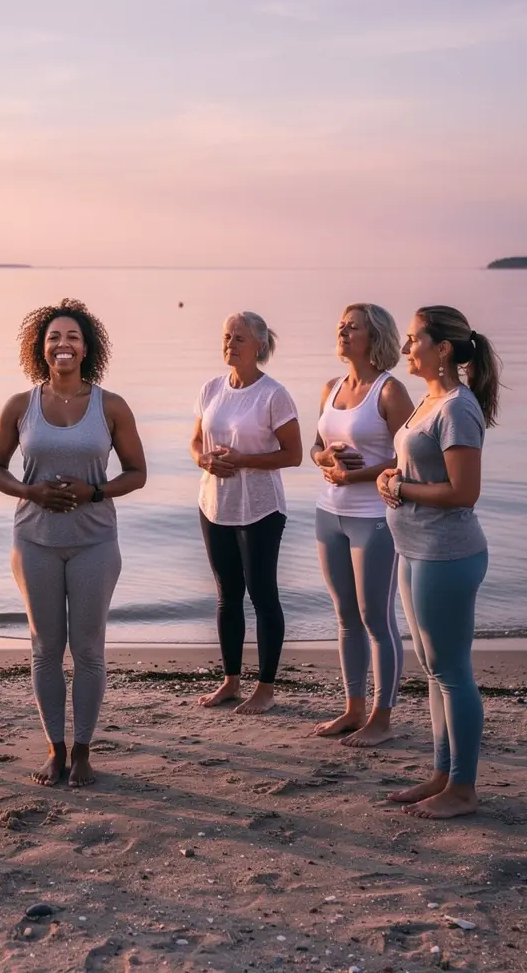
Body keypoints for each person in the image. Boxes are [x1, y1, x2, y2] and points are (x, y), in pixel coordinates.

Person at [0, 299, 147, 788]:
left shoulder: (110, 406)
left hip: (95, 540)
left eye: (72, 337)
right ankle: (54, 748)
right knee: (45, 648)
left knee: (89, 649)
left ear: (87, 347)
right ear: (41, 347)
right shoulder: (20, 405)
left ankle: (83, 751)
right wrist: (28, 491)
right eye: (54, 337)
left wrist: (95, 491)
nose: (63, 345)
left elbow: (137, 473)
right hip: (34, 539)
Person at [378, 306, 501, 819]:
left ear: (442, 348)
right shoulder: (429, 401)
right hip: (415, 549)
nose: (406, 349)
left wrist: (401, 487)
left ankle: (464, 789)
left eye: (412, 341)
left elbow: (463, 491)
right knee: (433, 669)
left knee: (451, 671)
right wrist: (390, 476)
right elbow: (418, 465)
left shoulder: (458, 407)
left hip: (447, 555)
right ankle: (441, 773)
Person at [311, 304, 414, 746]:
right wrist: (328, 460)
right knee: (345, 617)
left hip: (373, 517)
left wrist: (355, 474)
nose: (342, 330)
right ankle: (353, 708)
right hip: (328, 511)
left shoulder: (390, 392)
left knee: (376, 617)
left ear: (374, 336)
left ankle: (381, 718)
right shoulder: (331, 387)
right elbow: (315, 449)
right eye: (341, 324)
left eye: (352, 326)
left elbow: (411, 457)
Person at [192, 311, 302, 715]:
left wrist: (244, 460)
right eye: (226, 336)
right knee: (226, 597)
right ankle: (230, 681)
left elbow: (293, 454)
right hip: (214, 505)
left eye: (239, 337)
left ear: (259, 345)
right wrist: (205, 460)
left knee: (262, 595)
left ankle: (266, 688)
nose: (230, 343)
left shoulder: (274, 394)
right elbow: (195, 443)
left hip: (260, 508)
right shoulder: (210, 389)